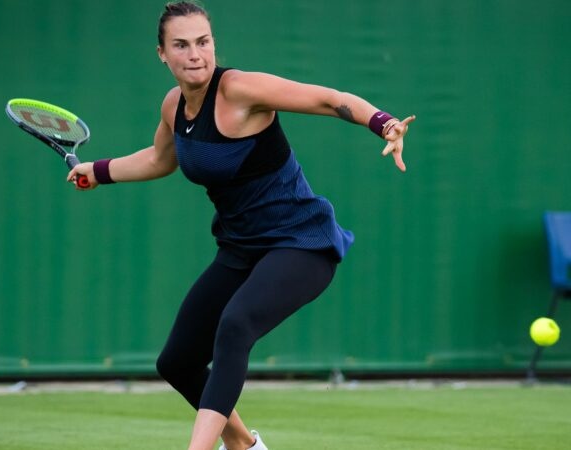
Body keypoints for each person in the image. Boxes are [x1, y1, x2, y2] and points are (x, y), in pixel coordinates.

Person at [67, 2, 415, 449]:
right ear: (162, 54)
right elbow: (160, 159)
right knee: (177, 362)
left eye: (203, 42)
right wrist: (98, 170)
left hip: (301, 243)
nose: (195, 54)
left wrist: (383, 123)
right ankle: (246, 447)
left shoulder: (240, 89)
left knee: (234, 326)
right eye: (181, 45)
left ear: (214, 44)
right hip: (240, 249)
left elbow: (328, 99)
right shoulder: (175, 106)